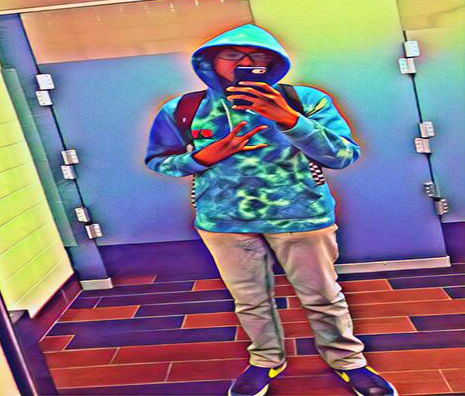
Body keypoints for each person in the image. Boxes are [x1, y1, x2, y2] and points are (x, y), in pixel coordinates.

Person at [144, 24, 398, 396]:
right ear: (211, 61)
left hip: (302, 216)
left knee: (323, 297)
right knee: (249, 300)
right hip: (224, 221)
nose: (244, 63)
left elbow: (343, 155)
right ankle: (265, 359)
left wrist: (289, 120)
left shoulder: (304, 100)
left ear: (272, 62)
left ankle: (347, 361)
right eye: (232, 55)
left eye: (256, 56)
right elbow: (158, 160)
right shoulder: (183, 109)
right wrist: (202, 157)